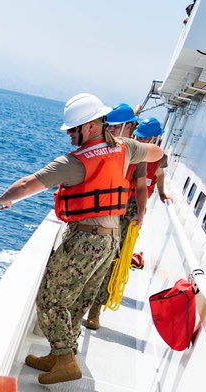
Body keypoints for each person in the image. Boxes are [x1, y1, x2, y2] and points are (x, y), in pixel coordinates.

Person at [0, 93, 165, 384]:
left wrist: (3, 200)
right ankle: (62, 351)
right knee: (77, 300)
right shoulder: (125, 148)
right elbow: (156, 155)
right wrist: (129, 150)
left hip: (86, 240)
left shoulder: (74, 162)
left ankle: (65, 360)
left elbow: (27, 184)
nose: (70, 135)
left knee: (51, 298)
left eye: (74, 130)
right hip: (111, 240)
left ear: (91, 126)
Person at [83, 103, 147, 330]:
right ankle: (79, 303)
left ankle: (95, 309)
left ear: (129, 126)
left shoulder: (137, 153)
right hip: (98, 207)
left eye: (116, 126)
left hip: (124, 211)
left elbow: (141, 186)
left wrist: (140, 212)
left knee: (110, 261)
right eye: (109, 125)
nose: (111, 129)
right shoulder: (103, 146)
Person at [134, 117, 172, 203]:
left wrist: (162, 193)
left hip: (139, 200)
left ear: (154, 138)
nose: (141, 140)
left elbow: (160, 174)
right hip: (123, 196)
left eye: (144, 137)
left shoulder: (161, 157)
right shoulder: (130, 150)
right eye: (139, 137)